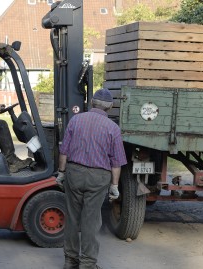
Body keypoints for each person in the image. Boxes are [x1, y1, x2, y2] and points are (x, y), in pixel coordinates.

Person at [56, 88, 127, 269]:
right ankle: (87, 264)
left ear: (92, 103)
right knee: (91, 220)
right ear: (110, 107)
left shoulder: (76, 120)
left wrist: (61, 173)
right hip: (98, 177)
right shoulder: (113, 128)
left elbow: (64, 150)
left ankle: (70, 261)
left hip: (75, 173)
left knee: (72, 217)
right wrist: (115, 186)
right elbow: (116, 162)